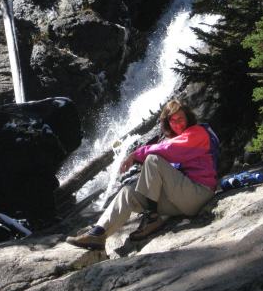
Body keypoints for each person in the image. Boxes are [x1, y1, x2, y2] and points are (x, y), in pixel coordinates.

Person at [66, 99, 217, 250]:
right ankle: (98, 234)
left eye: (181, 119)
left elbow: (167, 149)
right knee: (129, 192)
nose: (177, 124)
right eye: (173, 120)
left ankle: (152, 217)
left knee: (152, 160)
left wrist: (135, 154)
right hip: (182, 198)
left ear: (188, 118)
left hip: (199, 193)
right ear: (167, 123)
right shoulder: (178, 138)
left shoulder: (197, 132)